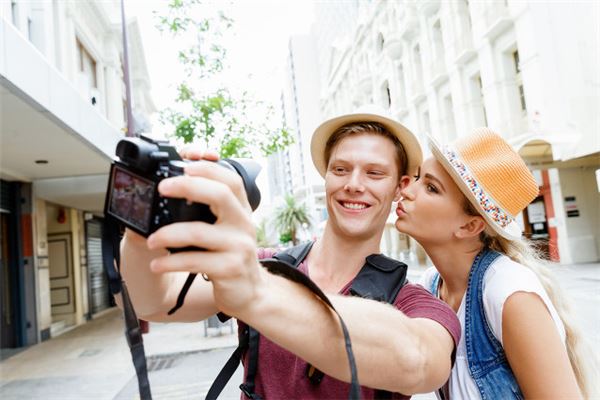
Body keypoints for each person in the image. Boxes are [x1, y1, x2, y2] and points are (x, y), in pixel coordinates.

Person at [118, 106, 461, 398]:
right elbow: (149, 301)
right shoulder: (265, 266)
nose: (354, 184)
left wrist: (254, 291)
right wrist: (140, 228)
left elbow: (420, 361)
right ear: (325, 176)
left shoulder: (415, 302)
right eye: (340, 169)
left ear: (400, 186)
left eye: (374, 173)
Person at [394, 127, 597, 399]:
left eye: (431, 187)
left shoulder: (508, 293)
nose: (408, 189)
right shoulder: (431, 285)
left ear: (470, 225)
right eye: (418, 178)